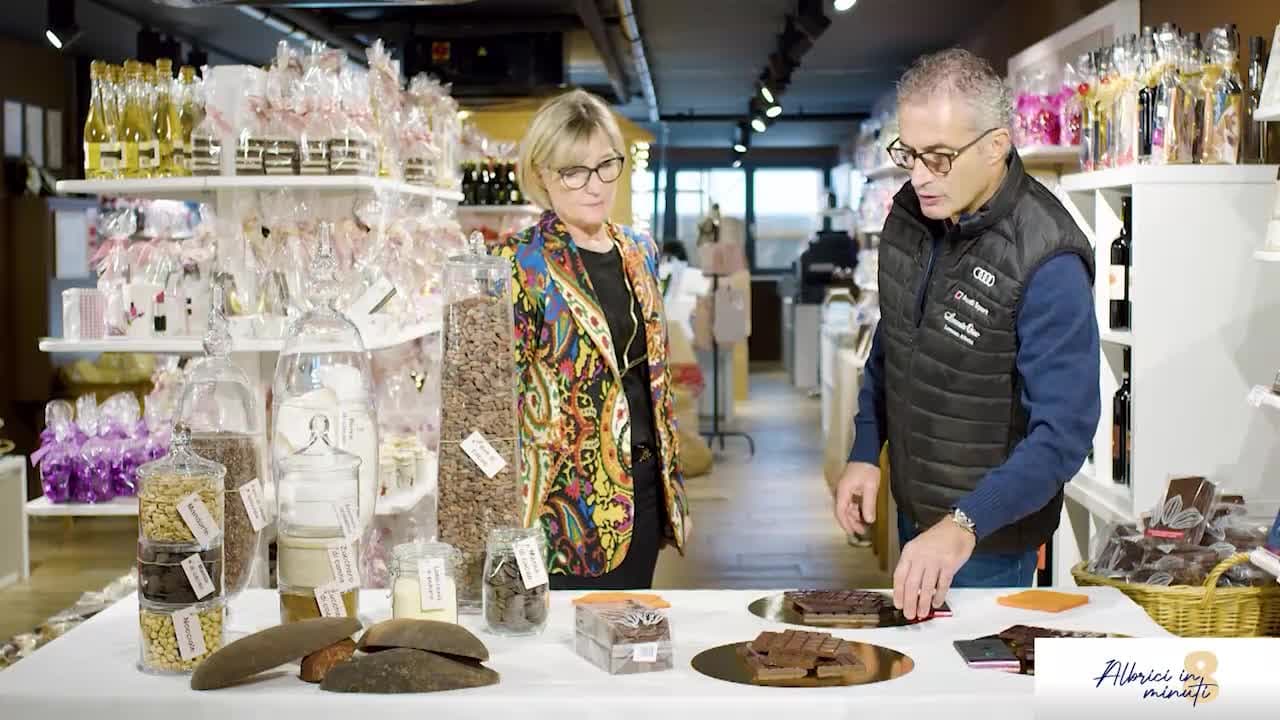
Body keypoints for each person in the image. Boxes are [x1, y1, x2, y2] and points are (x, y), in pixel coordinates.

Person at [833, 49, 1100, 618]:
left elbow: (1064, 432)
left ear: (996, 145)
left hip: (989, 537)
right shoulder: (910, 215)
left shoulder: (1047, 256)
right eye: (909, 153)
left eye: (940, 157)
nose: (920, 176)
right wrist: (863, 448)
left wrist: (965, 523)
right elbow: (895, 341)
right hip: (916, 510)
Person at [488, 89, 689, 590]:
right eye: (572, 171)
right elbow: (494, 397)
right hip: (564, 506)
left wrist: (669, 486)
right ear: (541, 176)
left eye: (605, 166)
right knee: (567, 654)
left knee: (627, 635)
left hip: (644, 489)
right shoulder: (518, 263)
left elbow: (650, 380)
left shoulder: (639, 250)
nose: (594, 185)